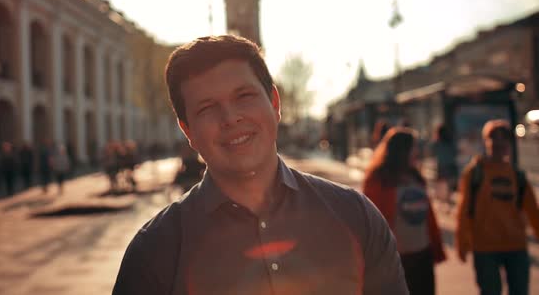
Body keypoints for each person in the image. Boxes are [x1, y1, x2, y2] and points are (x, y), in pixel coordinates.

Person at [113, 35, 408, 295]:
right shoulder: (153, 253)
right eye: (207, 107)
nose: (230, 118)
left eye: (244, 96)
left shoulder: (356, 216)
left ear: (275, 103)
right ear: (188, 131)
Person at [456, 119, 539, 295]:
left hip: (515, 246)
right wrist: (462, 241)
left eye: (504, 140)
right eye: (494, 139)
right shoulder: (474, 173)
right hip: (485, 247)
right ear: (486, 142)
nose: (499, 144)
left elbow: (533, 211)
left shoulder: (517, 175)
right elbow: (463, 210)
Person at [363, 127, 446, 295]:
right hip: (395, 259)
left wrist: (436, 246)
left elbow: (428, 217)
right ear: (401, 151)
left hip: (422, 255)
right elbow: (369, 222)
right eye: (413, 147)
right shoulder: (378, 180)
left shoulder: (416, 176)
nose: (417, 151)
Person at [430, 123, 458, 212]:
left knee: (441, 186)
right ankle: (447, 202)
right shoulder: (451, 141)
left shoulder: (437, 142)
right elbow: (455, 152)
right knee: (449, 186)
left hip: (442, 166)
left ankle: (443, 203)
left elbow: (432, 151)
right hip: (451, 166)